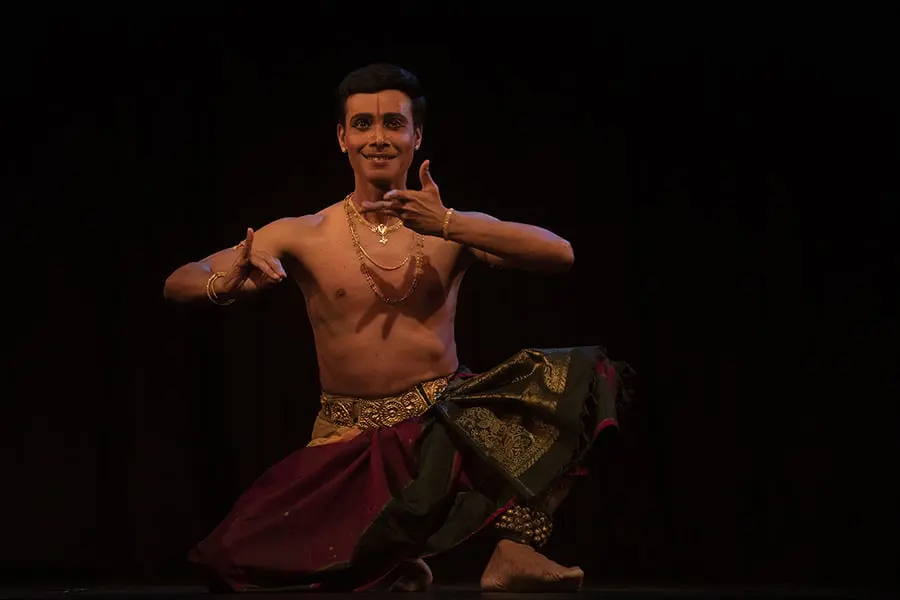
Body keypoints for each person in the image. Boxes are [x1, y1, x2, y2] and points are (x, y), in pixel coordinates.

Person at [163, 62, 632, 592]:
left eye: (393, 124)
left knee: (588, 376)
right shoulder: (304, 233)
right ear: (342, 138)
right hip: (347, 434)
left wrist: (449, 224)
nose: (378, 137)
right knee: (237, 563)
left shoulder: (450, 229)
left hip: (445, 424)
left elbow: (559, 254)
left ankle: (513, 549)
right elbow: (181, 279)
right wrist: (219, 285)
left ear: (417, 135)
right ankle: (394, 559)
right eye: (362, 124)